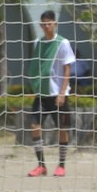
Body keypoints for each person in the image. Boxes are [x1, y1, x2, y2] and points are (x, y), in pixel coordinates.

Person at [26, 10, 76, 177]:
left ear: (55, 24)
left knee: (62, 128)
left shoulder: (63, 43)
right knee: (34, 126)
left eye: (50, 23)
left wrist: (62, 93)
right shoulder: (38, 43)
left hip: (57, 95)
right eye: (44, 23)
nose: (47, 26)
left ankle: (61, 165)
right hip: (42, 94)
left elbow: (67, 67)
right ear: (40, 25)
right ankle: (41, 165)